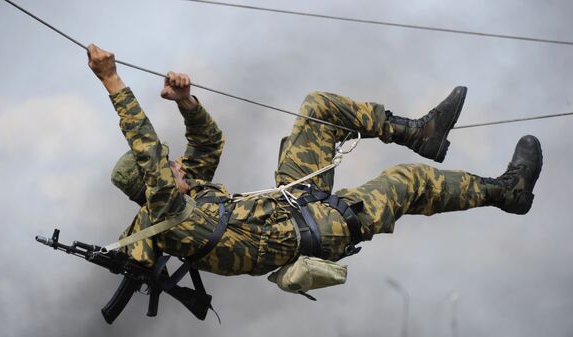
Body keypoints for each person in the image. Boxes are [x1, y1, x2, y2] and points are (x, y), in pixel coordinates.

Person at [87, 44, 542, 278]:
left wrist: (186, 102)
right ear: (154, 185)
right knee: (408, 182)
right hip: (320, 229)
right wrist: (111, 79)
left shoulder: (191, 197)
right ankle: (508, 192)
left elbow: (208, 143)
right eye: (171, 168)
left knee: (318, 107)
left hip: (297, 201)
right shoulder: (172, 216)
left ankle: (418, 133)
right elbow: (146, 149)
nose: (180, 166)